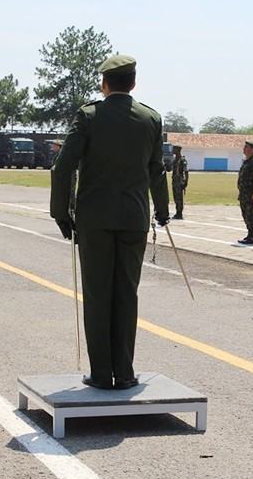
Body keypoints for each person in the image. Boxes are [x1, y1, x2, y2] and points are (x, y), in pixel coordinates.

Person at [50, 54, 170, 389]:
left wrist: (61, 212)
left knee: (98, 294)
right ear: (133, 83)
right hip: (134, 218)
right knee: (126, 293)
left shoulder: (89, 116)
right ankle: (126, 372)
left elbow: (62, 167)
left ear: (105, 83)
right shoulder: (151, 118)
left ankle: (102, 373)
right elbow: (157, 169)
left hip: (95, 220)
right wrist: (162, 209)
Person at [237, 140, 253, 245]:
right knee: (246, 214)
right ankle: (249, 235)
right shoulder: (246, 161)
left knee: (251, 214)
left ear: (252, 149)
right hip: (244, 193)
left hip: (251, 193)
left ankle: (252, 236)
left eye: (246, 147)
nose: (244, 148)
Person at [171, 145, 189, 219]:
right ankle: (177, 212)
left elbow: (186, 172)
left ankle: (179, 214)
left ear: (178, 150)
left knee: (179, 199)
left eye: (174, 149)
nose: (172, 150)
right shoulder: (175, 160)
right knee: (175, 198)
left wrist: (186, 182)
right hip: (174, 181)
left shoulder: (182, 160)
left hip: (179, 182)